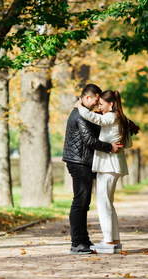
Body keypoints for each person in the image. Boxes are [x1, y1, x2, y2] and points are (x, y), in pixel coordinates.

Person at [63, 84, 122, 255]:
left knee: (84, 203)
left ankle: (83, 240)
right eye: (96, 100)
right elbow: (89, 140)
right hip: (78, 161)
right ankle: (77, 243)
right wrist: (110, 147)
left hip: (83, 161)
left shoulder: (85, 114)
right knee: (80, 203)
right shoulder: (80, 115)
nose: (97, 104)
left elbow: (97, 129)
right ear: (87, 98)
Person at [74, 90, 132, 254]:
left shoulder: (112, 116)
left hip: (108, 166)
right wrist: (117, 142)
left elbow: (95, 118)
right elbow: (128, 144)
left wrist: (80, 106)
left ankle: (108, 242)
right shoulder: (122, 119)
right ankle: (115, 240)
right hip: (115, 166)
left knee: (103, 204)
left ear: (111, 104)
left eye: (101, 104)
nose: (100, 107)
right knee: (109, 203)